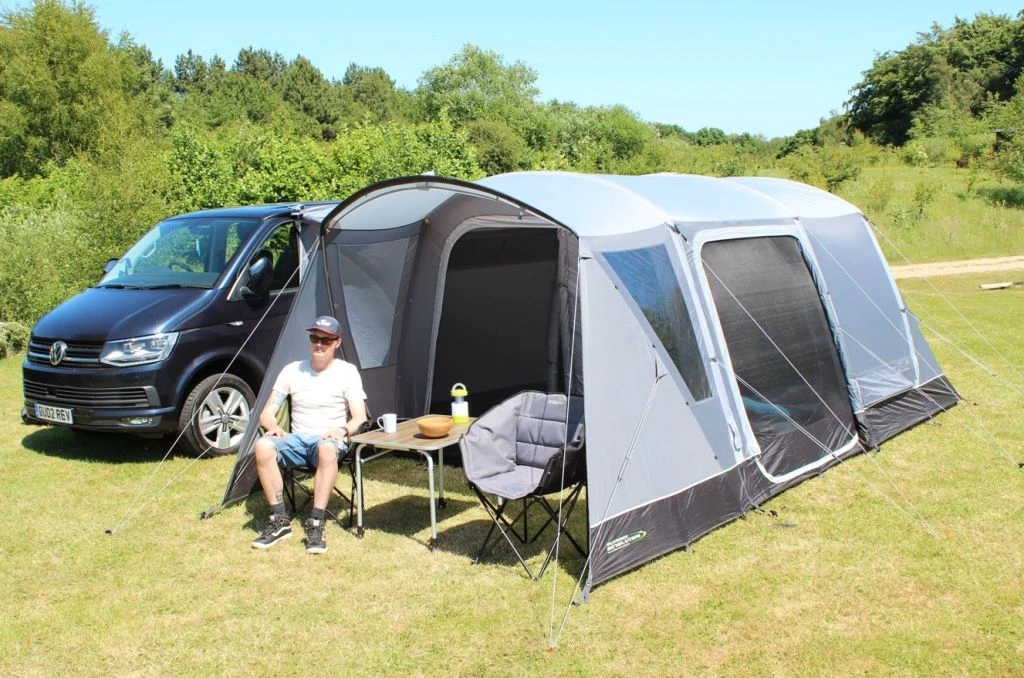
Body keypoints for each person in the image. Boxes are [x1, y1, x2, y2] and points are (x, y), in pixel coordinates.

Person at [251, 315, 367, 554]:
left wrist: (342, 430)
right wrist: (273, 426)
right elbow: (266, 413)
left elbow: (359, 417)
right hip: (296, 440)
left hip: (329, 440)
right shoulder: (292, 371)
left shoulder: (347, 372)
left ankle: (316, 522)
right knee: (263, 445)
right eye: (315, 338)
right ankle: (279, 521)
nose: (319, 344)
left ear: (337, 343)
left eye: (326, 340)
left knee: (326, 448)